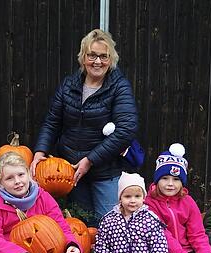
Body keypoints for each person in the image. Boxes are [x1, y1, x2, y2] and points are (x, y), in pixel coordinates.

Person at [33, 28, 139, 225]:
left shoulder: (119, 86)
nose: (97, 62)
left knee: (109, 224)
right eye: (92, 55)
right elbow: (52, 121)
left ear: (111, 59)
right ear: (83, 57)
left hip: (104, 171)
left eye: (103, 56)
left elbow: (126, 129)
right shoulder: (69, 84)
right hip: (71, 172)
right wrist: (40, 151)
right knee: (80, 223)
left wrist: (90, 160)